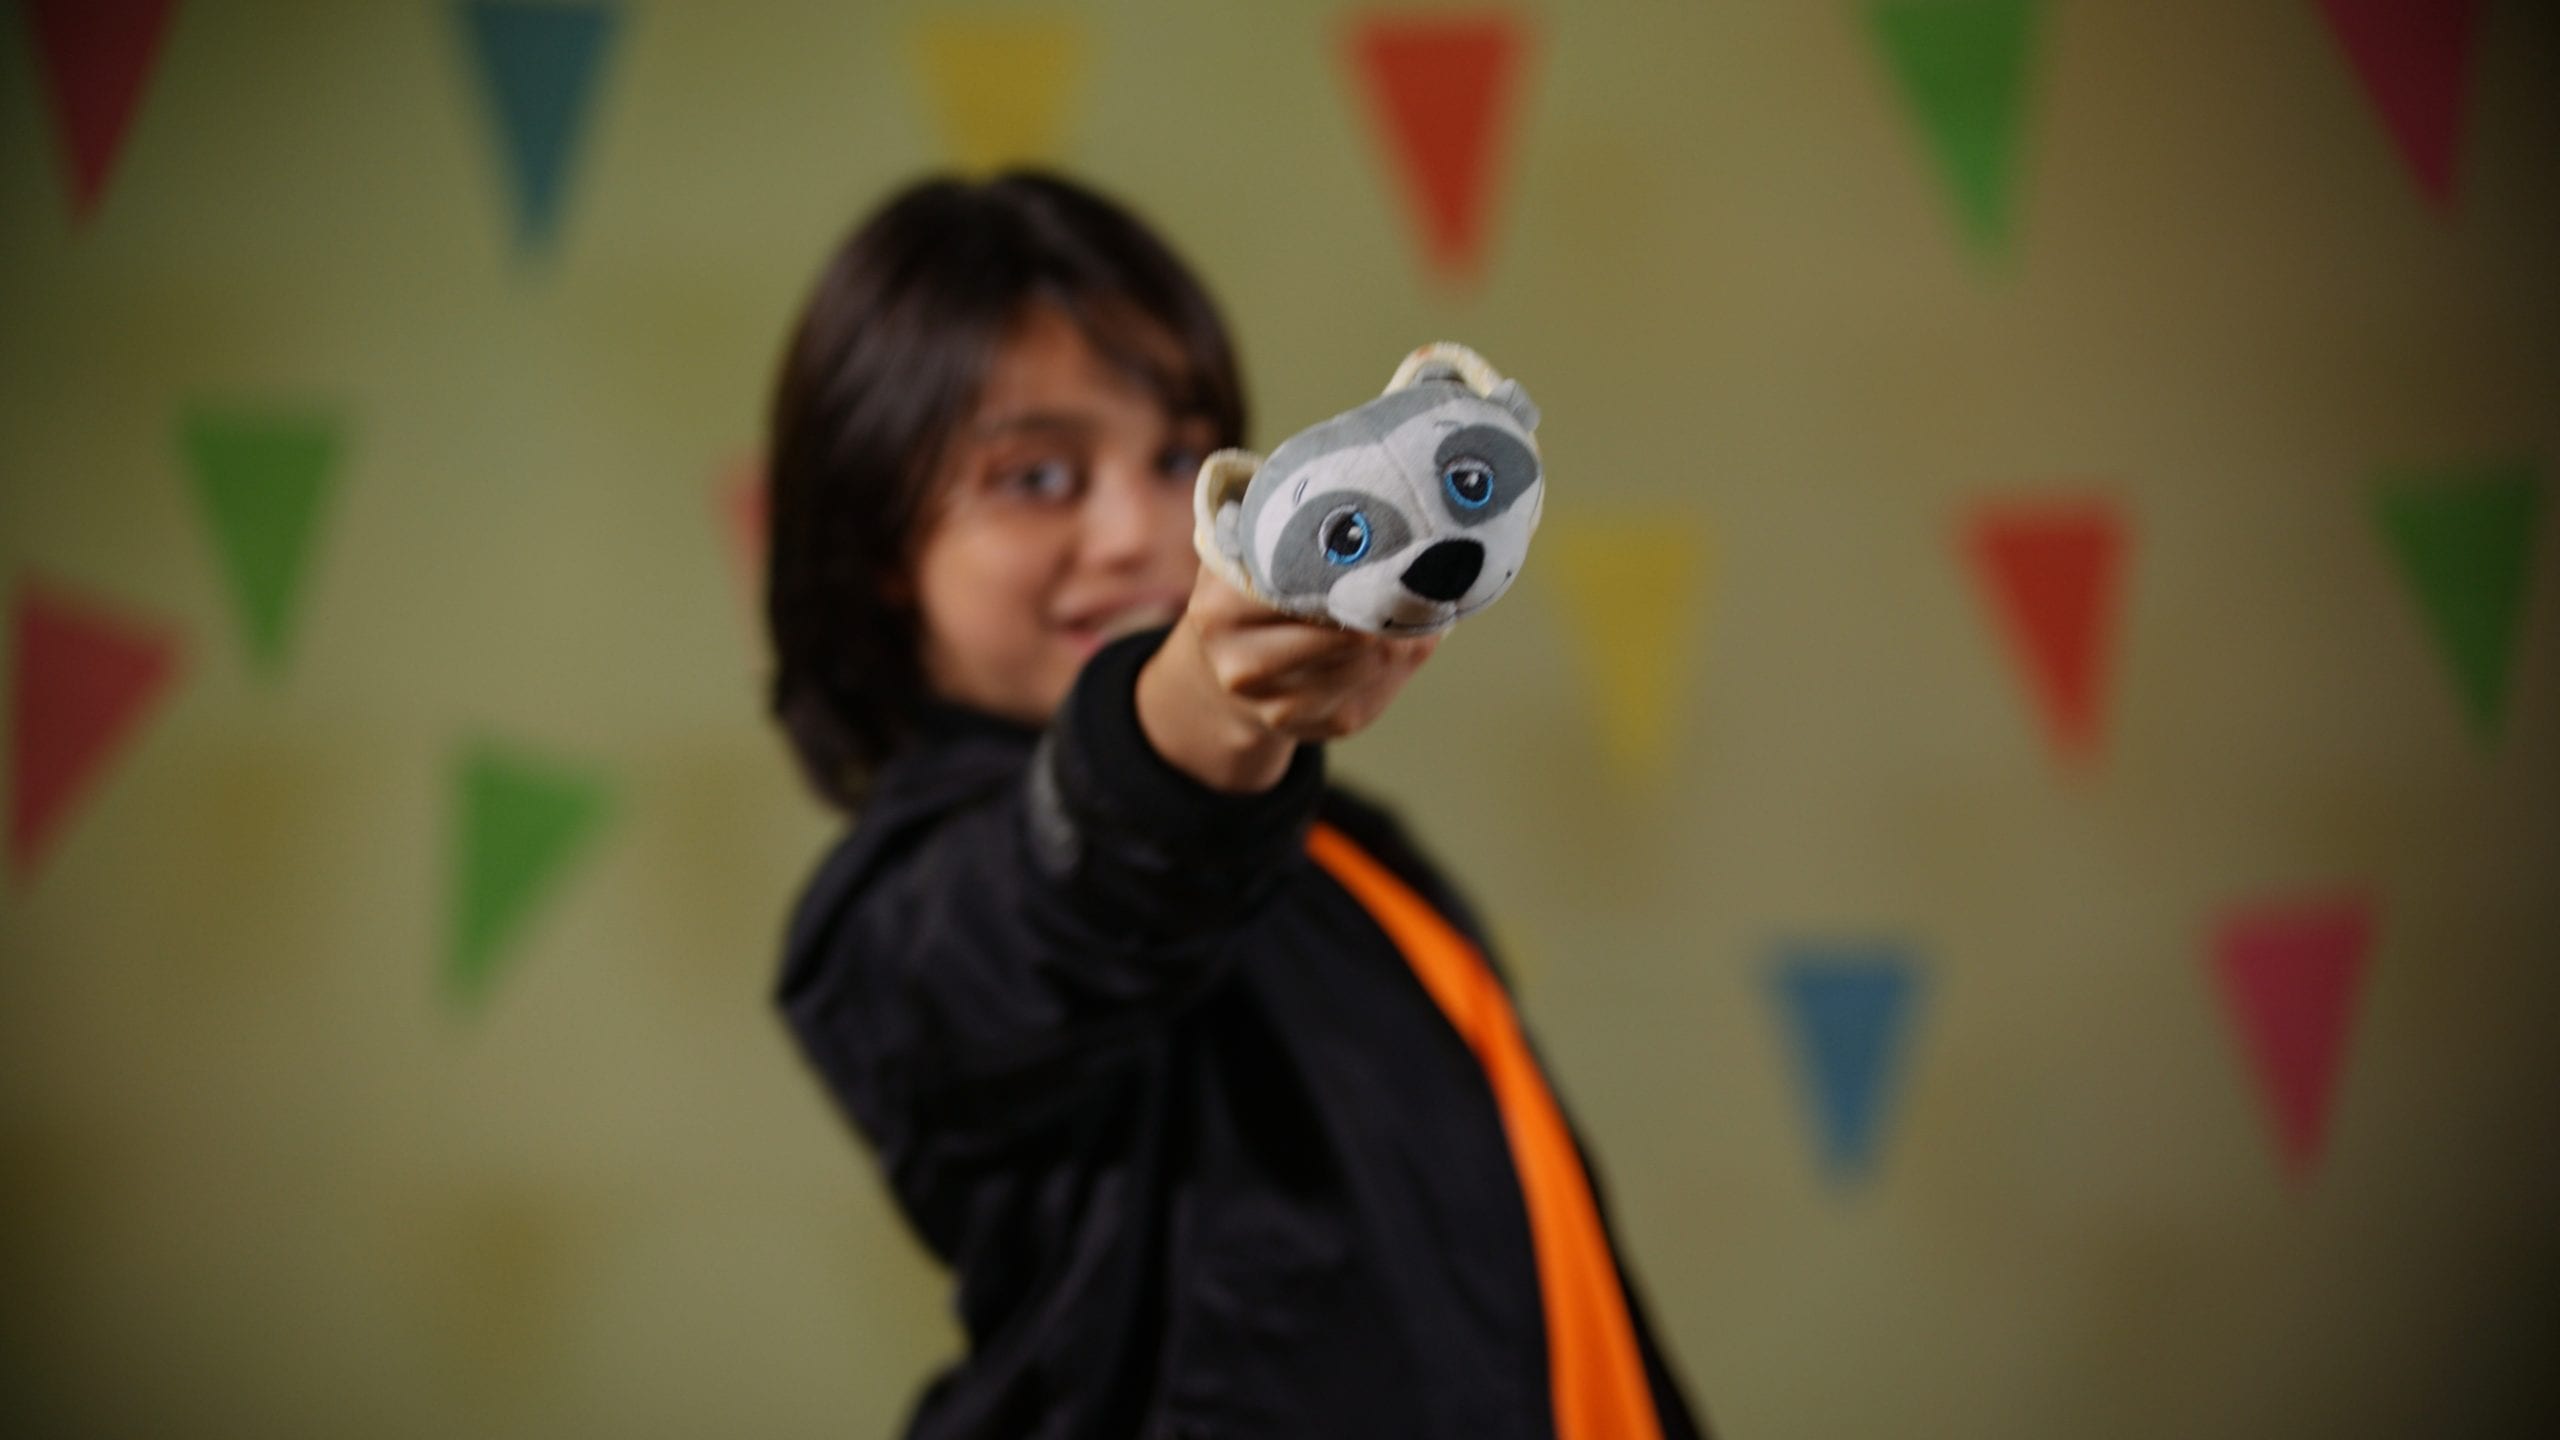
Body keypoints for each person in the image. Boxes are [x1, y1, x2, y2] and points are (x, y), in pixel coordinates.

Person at [764, 170, 1708, 1440]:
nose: (1139, 531)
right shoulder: (893, 918)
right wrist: (1204, 706)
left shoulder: (1349, 857)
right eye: (1037, 477)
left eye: (1174, 455)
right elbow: (1062, 907)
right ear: (880, 546)